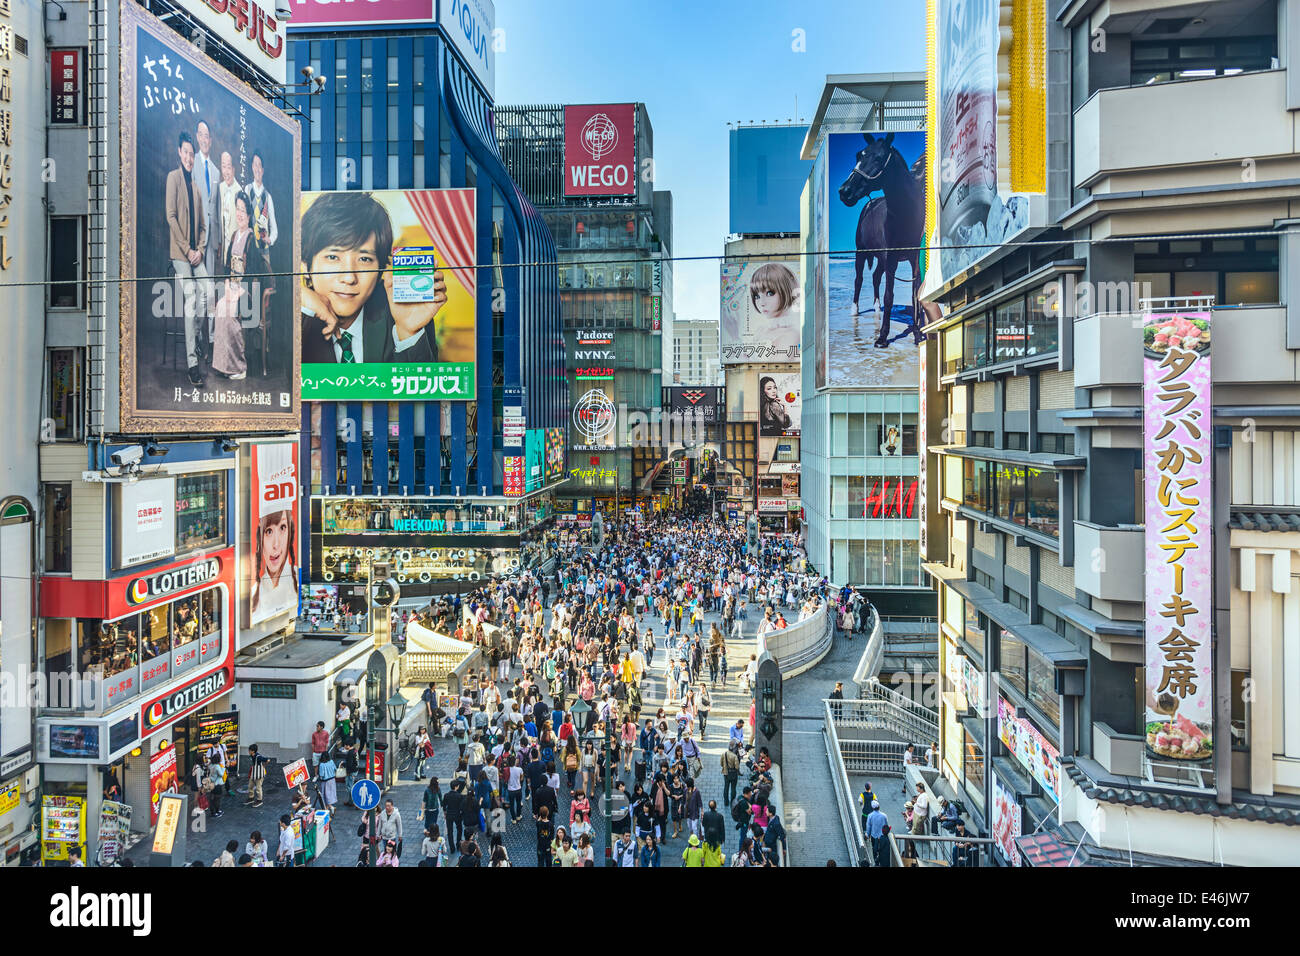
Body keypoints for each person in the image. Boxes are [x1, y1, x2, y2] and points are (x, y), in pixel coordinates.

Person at [299, 191, 444, 365]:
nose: (349, 277)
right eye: (333, 257)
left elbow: (425, 389)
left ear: (381, 269)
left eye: (364, 259)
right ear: (305, 265)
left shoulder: (402, 312)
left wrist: (407, 332)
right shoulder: (291, 316)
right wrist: (292, 303)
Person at [165, 130, 210, 386]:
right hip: (180, 255)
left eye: (193, 154)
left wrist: (200, 250)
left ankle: (198, 335)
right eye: (186, 153)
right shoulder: (173, 179)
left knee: (208, 292)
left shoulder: (196, 188)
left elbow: (203, 227)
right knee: (192, 297)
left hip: (196, 255)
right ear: (179, 153)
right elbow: (170, 216)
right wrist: (188, 250)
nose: (190, 157)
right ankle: (192, 363)